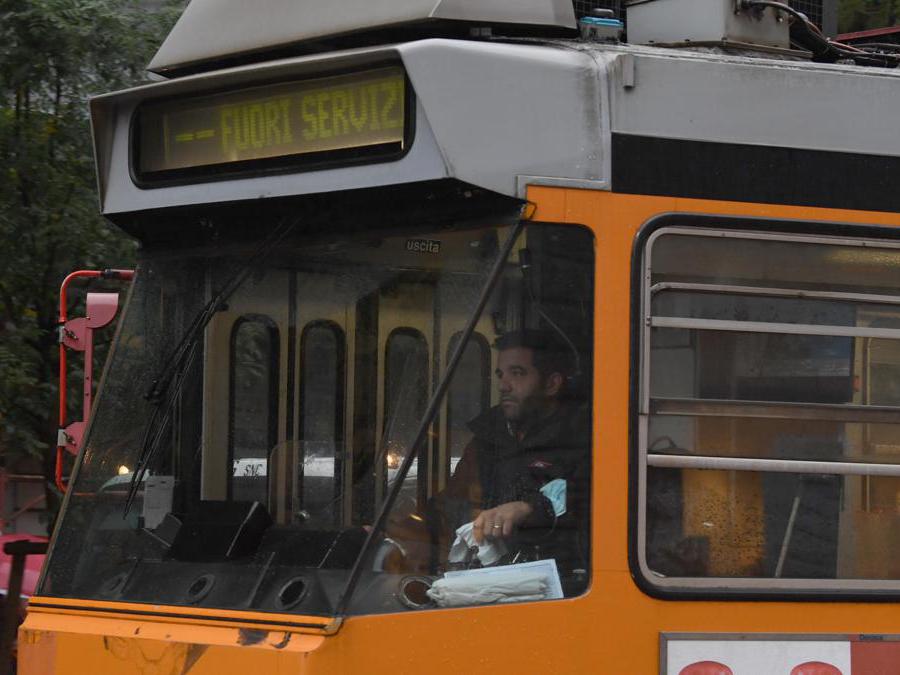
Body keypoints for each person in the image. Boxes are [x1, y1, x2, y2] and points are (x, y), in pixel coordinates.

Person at [428, 329, 590, 590]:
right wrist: (402, 531)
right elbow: (451, 504)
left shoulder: (585, 440)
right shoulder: (487, 438)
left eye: (517, 373)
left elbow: (588, 502)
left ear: (551, 384)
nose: (503, 386)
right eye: (501, 375)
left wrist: (528, 509)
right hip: (489, 584)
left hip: (563, 587)